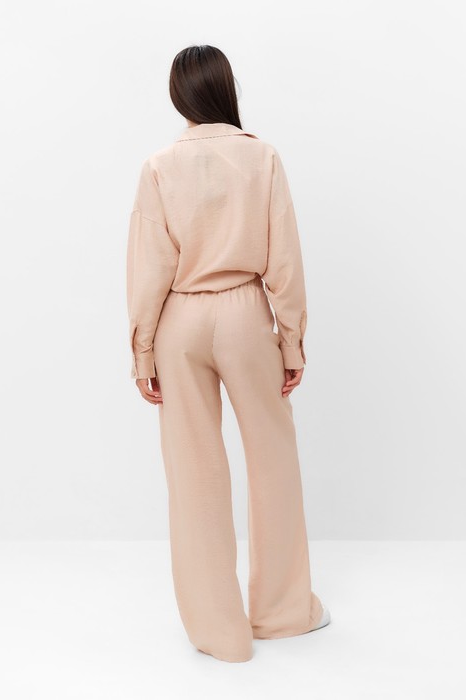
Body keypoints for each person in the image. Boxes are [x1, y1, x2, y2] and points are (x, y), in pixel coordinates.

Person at [126, 44, 330, 663]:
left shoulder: (159, 167)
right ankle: (282, 613)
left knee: (193, 473)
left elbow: (148, 267)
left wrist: (143, 351)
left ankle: (220, 634)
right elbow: (284, 258)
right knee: (273, 460)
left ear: (178, 96)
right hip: (246, 313)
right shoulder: (261, 156)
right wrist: (291, 339)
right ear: (227, 88)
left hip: (180, 319)